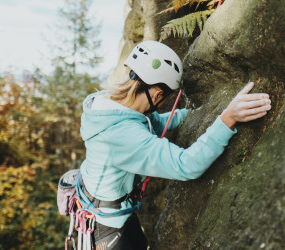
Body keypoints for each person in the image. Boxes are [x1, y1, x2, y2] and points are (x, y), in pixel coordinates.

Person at [78, 40, 271, 249]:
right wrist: (227, 120)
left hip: (108, 211)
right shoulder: (123, 135)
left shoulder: (106, 105)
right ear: (156, 95)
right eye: (165, 98)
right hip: (109, 228)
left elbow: (153, 122)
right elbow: (187, 165)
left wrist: (199, 114)